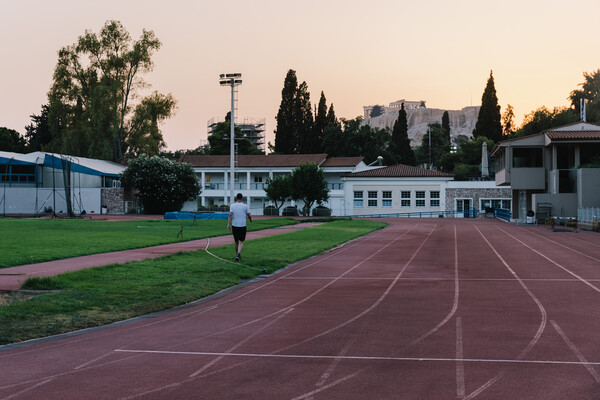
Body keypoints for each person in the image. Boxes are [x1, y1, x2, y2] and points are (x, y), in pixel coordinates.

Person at [227, 193, 253, 261]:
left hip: (234, 225)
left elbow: (230, 215)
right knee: (241, 241)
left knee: (236, 241)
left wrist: (228, 224)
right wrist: (250, 220)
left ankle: (237, 255)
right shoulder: (245, 206)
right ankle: (238, 254)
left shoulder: (232, 205)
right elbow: (249, 215)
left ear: (236, 198)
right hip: (242, 225)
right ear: (242, 198)